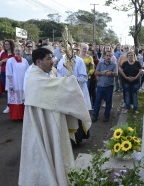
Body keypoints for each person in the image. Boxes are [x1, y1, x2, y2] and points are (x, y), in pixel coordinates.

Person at [19, 47, 91, 186]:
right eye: (48, 59)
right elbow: (54, 90)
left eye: (52, 58)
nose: (52, 61)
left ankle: (60, 176)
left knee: (57, 151)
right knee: (43, 154)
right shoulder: (33, 77)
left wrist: (67, 81)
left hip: (53, 119)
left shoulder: (48, 71)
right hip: (41, 123)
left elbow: (55, 89)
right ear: (39, 61)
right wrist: (69, 83)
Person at [92, 50, 118, 122]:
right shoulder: (100, 64)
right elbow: (96, 73)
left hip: (109, 86)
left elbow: (116, 74)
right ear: (104, 56)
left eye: (110, 56)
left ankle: (106, 116)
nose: (108, 57)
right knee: (97, 101)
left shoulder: (113, 64)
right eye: (107, 55)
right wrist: (102, 73)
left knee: (108, 101)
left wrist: (110, 73)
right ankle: (95, 116)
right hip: (100, 86)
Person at [5, 45, 29, 120]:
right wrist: (10, 85)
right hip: (14, 85)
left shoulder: (25, 61)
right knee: (15, 100)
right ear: (14, 52)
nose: (18, 52)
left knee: (23, 100)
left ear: (22, 52)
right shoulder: (10, 61)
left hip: (23, 84)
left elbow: (28, 72)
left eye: (19, 50)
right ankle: (16, 117)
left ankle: (24, 117)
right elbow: (8, 73)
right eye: (16, 50)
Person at [0, 39, 15, 113]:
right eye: (5, 44)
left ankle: (12, 105)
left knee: (13, 89)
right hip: (3, 73)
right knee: (7, 90)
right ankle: (8, 105)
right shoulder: (3, 53)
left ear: (11, 45)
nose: (6, 45)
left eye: (7, 44)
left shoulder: (14, 54)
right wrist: (3, 61)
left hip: (12, 74)